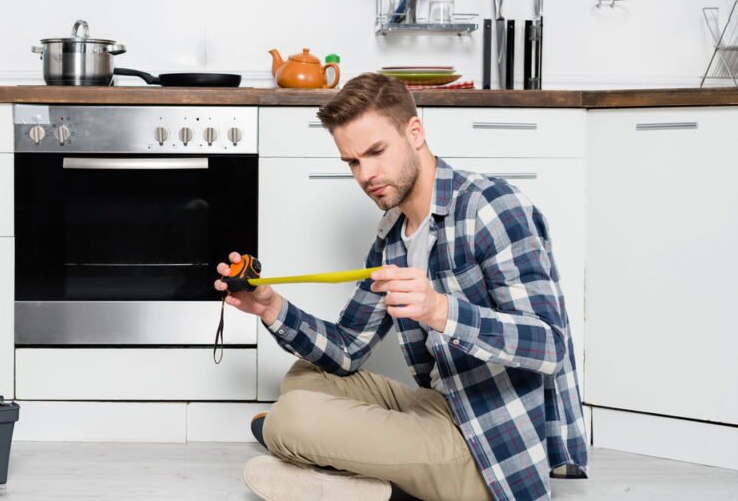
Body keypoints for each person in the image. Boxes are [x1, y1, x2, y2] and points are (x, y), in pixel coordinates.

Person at [214, 73, 588, 501]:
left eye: (375, 152)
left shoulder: (491, 207)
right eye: (353, 162)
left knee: (293, 416)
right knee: (304, 380)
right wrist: (270, 306)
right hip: (436, 407)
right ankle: (366, 478)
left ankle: (359, 472)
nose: (366, 175)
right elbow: (348, 348)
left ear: (414, 132)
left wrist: (441, 311)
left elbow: (549, 347)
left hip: (489, 442)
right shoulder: (392, 236)